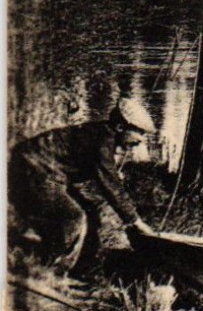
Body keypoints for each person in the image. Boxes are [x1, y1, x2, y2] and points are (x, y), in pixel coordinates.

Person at [9, 99, 160, 273]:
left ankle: (81, 268)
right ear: (120, 128)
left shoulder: (102, 135)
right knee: (71, 217)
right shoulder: (102, 142)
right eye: (139, 133)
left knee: (91, 213)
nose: (141, 140)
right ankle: (51, 271)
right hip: (33, 167)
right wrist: (136, 221)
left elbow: (102, 173)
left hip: (42, 167)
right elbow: (111, 187)